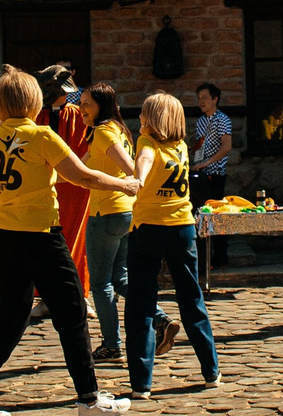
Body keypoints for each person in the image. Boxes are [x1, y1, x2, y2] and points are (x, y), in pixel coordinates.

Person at [0, 67, 138, 416]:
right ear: (34, 102)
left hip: (4, 236)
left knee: (10, 318)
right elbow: (81, 175)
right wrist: (123, 185)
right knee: (73, 314)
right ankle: (89, 400)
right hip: (41, 236)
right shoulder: (42, 135)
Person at [127, 91, 221, 395]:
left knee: (141, 303)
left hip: (149, 228)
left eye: (144, 114)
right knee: (191, 299)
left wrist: (137, 179)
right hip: (182, 228)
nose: (140, 119)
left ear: (152, 119)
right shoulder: (179, 145)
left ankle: (141, 383)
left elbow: (144, 159)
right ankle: (211, 371)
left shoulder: (147, 142)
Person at [78, 82, 136, 363]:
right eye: (81, 104)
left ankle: (111, 345)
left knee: (100, 284)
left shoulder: (103, 133)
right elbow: (80, 167)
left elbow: (131, 168)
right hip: (126, 214)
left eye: (87, 104)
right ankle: (160, 318)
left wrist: (130, 180)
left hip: (106, 214)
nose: (81, 109)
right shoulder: (117, 130)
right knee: (120, 277)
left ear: (102, 105)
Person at [36, 64, 93, 306]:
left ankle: (80, 295)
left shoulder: (78, 115)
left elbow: (85, 150)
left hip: (74, 189)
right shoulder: (38, 117)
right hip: (44, 187)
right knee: (44, 244)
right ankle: (45, 297)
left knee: (77, 240)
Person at [190, 82, 233, 284]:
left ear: (215, 99)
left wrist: (207, 163)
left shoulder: (222, 120)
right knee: (201, 215)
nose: (201, 102)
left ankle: (220, 256)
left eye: (205, 98)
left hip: (214, 174)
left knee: (216, 215)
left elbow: (226, 147)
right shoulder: (200, 122)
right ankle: (205, 257)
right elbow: (199, 145)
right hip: (201, 172)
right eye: (199, 98)